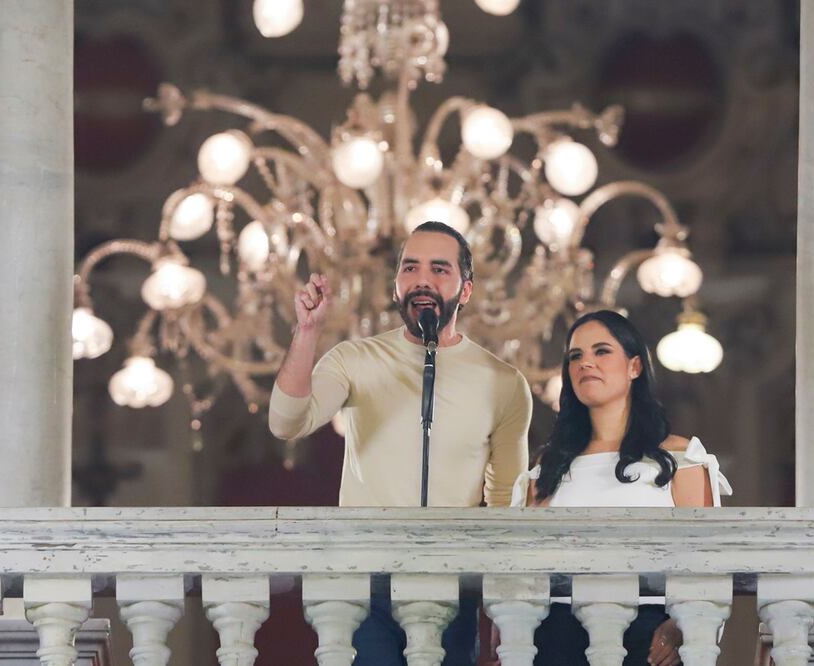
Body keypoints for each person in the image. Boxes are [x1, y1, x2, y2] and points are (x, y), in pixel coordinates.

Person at [268, 220, 533, 666]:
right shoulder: (354, 359)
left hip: (453, 588)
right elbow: (285, 423)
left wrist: (501, 613)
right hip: (362, 586)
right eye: (410, 268)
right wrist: (307, 333)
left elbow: (507, 505)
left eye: (439, 269)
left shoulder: (504, 383)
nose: (422, 280)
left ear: (465, 289)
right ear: (396, 285)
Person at [508, 309, 731, 666]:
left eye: (601, 351)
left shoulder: (680, 457)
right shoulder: (547, 467)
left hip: (649, 634)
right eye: (575, 356)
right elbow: (526, 570)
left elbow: (706, 564)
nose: (586, 363)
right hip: (557, 636)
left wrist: (677, 627)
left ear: (635, 367)